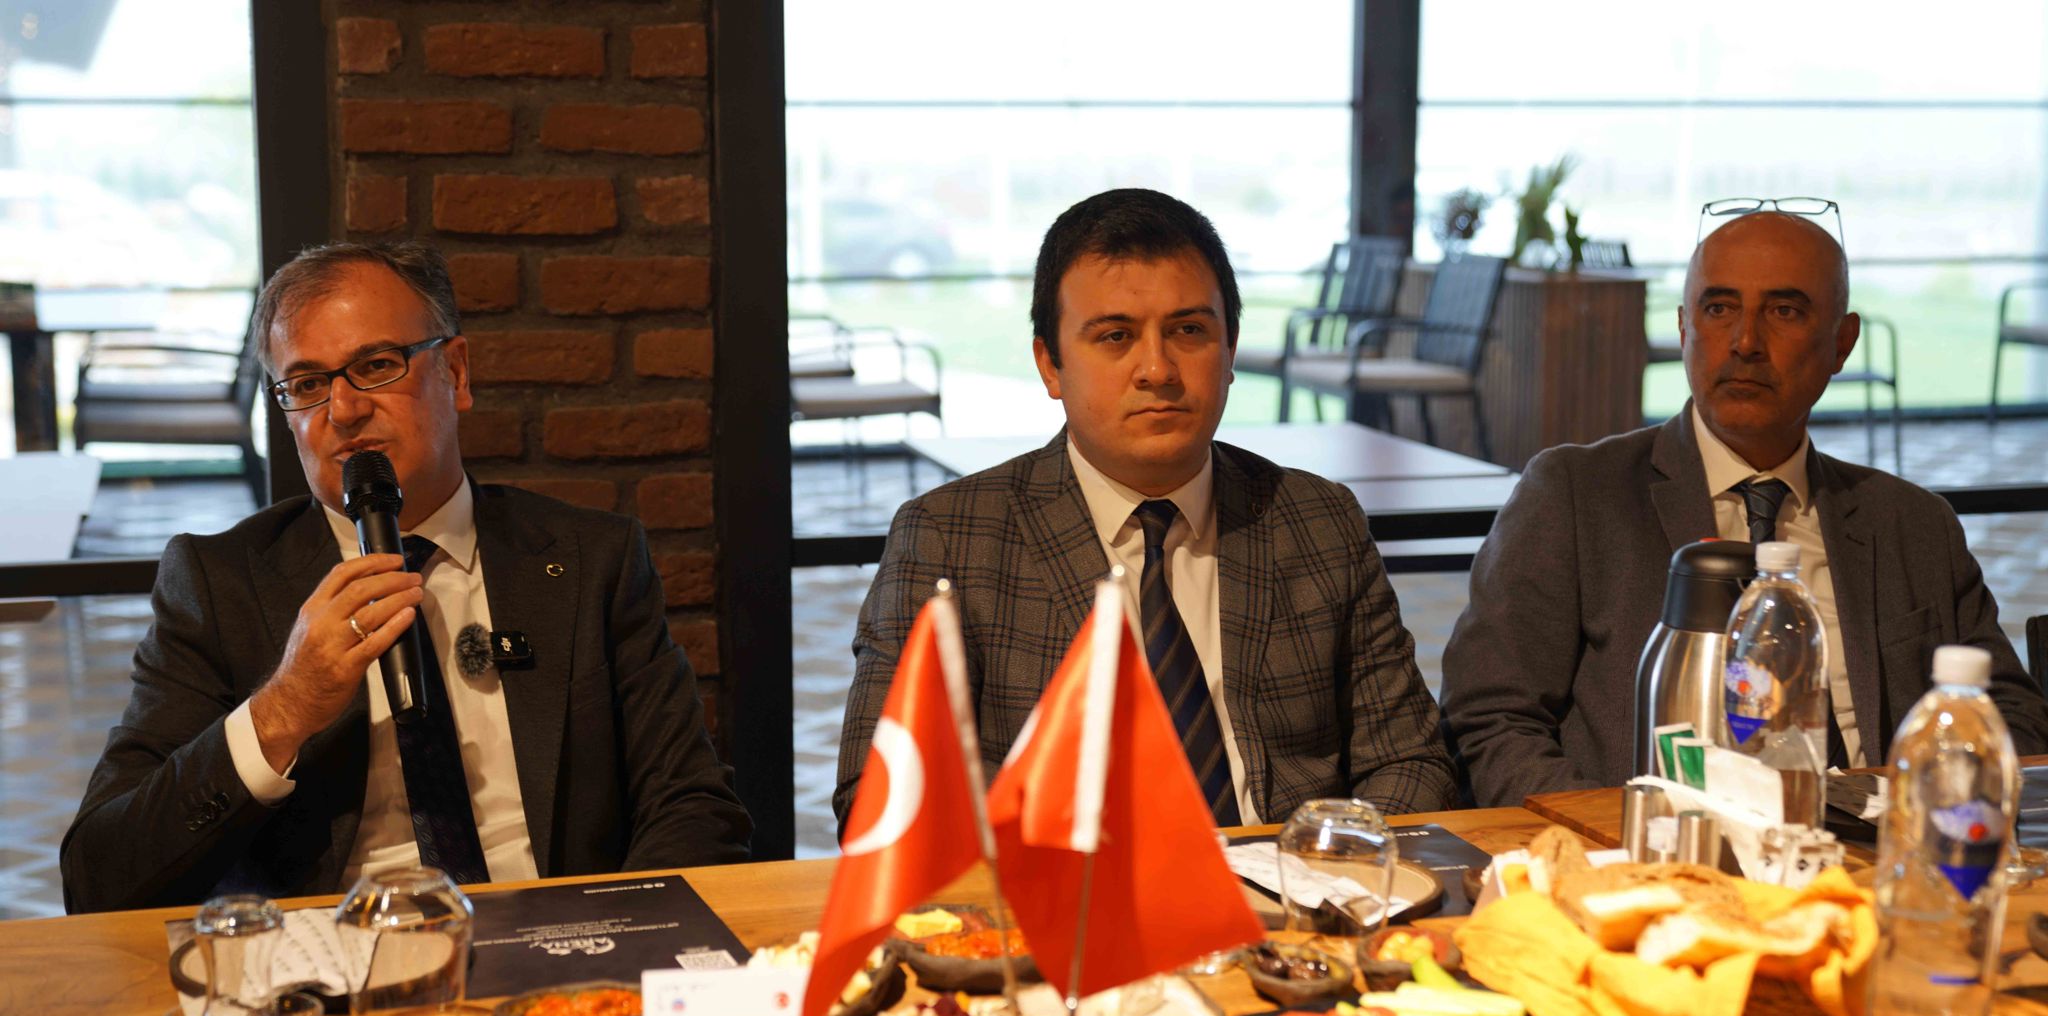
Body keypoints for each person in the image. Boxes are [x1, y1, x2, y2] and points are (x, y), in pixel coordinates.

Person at [61, 241, 751, 912]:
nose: (344, 410)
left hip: (559, 943)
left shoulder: (591, 559)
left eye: (376, 366)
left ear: (456, 373)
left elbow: (692, 804)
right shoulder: (220, 583)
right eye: (307, 384)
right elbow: (100, 880)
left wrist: (618, 939)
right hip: (333, 964)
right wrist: (282, 710)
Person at [835, 188, 1456, 833]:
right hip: (1066, 886)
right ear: (1051, 364)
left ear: (1230, 350)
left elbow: (1410, 759)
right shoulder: (950, 537)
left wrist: (1327, 872)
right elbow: (880, 795)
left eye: (1189, 331)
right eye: (1116, 336)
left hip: (1297, 881)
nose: (1158, 369)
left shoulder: (1316, 519)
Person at [1441, 209, 2048, 807]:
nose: (1746, 342)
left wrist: (1926, 816)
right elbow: (1489, 721)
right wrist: (1624, 835)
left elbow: (2013, 718)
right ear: (1684, 328)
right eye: (1719, 309)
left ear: (1842, 343)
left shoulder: (1911, 523)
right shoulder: (1577, 495)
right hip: (1650, 848)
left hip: (1881, 852)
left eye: (1784, 312)